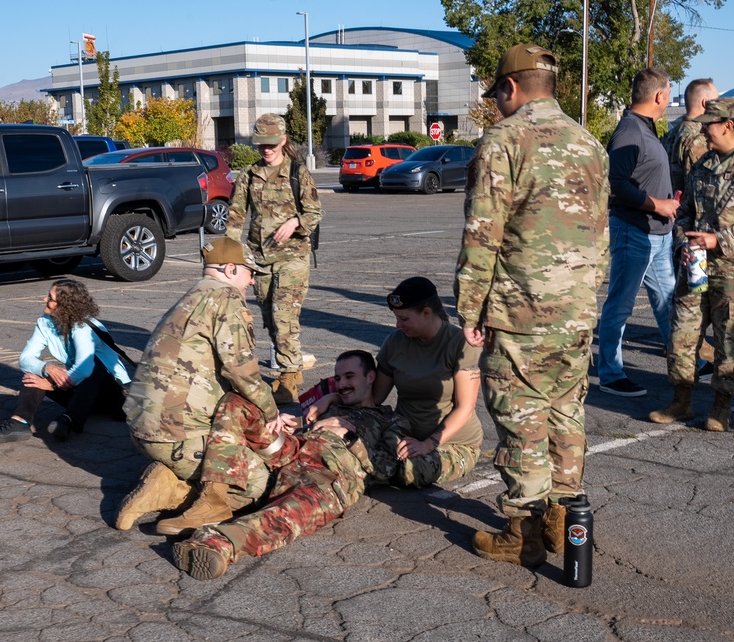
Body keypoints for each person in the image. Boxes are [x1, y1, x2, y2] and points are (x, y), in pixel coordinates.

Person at [454, 43, 609, 567]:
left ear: (510, 88)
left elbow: (482, 234)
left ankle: (523, 531)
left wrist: (470, 309)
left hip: (522, 312)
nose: (496, 102)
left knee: (520, 416)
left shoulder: (503, 141)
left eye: (496, 92)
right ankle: (566, 519)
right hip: (579, 309)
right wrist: (590, 299)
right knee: (567, 410)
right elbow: (602, 235)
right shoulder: (590, 143)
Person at [171, 350, 411, 580]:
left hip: (329, 475)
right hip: (293, 449)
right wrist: (286, 421)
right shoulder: (331, 404)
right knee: (239, 402)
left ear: (370, 377)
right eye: (338, 378)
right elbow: (305, 423)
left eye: (350, 377)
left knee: (286, 516)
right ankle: (214, 493)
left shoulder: (389, 420)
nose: (342, 384)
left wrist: (350, 439)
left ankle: (216, 544)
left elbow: (387, 467)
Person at [115, 237, 285, 534]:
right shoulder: (228, 300)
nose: (252, 281)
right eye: (250, 272)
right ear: (231, 269)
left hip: (141, 426)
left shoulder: (192, 297)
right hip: (176, 435)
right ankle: (172, 491)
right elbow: (241, 372)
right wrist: (271, 414)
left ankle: (169, 476)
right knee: (259, 485)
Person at [649, 97, 734, 432]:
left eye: (709, 123)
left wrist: (718, 241)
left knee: (728, 342)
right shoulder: (703, 163)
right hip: (696, 267)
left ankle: (721, 407)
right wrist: (684, 238)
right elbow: (686, 210)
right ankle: (681, 401)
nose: (703, 129)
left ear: (728, 125)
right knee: (682, 333)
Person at [309, 277, 483, 488]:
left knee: (410, 471)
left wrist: (428, 444)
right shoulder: (396, 342)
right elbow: (375, 397)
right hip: (404, 435)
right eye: (396, 318)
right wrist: (330, 398)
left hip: (452, 443)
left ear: (427, 313)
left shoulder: (460, 344)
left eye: (404, 319)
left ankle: (346, 478)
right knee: (355, 451)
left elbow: (465, 408)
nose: (398, 325)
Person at [225, 113, 323, 405]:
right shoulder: (248, 175)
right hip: (259, 258)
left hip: (293, 257)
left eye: (270, 144)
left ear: (282, 141)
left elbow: (315, 212)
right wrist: (230, 253)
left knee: (284, 316)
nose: (265, 150)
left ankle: (290, 377)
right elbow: (236, 214)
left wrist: (295, 223)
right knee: (269, 317)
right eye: (261, 145)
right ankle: (288, 365)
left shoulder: (298, 173)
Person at [597, 67, 679, 398]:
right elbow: (615, 184)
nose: (670, 98)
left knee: (668, 300)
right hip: (634, 231)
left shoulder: (645, 129)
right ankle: (610, 373)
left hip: (657, 235)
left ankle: (684, 358)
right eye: (670, 92)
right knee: (620, 303)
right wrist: (656, 204)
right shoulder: (630, 131)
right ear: (659, 96)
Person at [0, 279, 132, 444]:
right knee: (34, 373)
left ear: (66, 305)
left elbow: (85, 368)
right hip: (83, 394)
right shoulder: (45, 322)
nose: (45, 300)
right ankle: (19, 423)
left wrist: (52, 385)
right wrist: (47, 368)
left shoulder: (85, 328)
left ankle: (68, 421)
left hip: (116, 396)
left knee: (95, 366)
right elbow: (25, 359)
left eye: (50, 298)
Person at [665, 78, 721, 383]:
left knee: (683, 296)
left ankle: (692, 349)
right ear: (703, 105)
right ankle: (695, 353)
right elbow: (700, 188)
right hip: (695, 231)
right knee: (696, 300)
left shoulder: (672, 132)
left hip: (675, 227)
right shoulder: (696, 139)